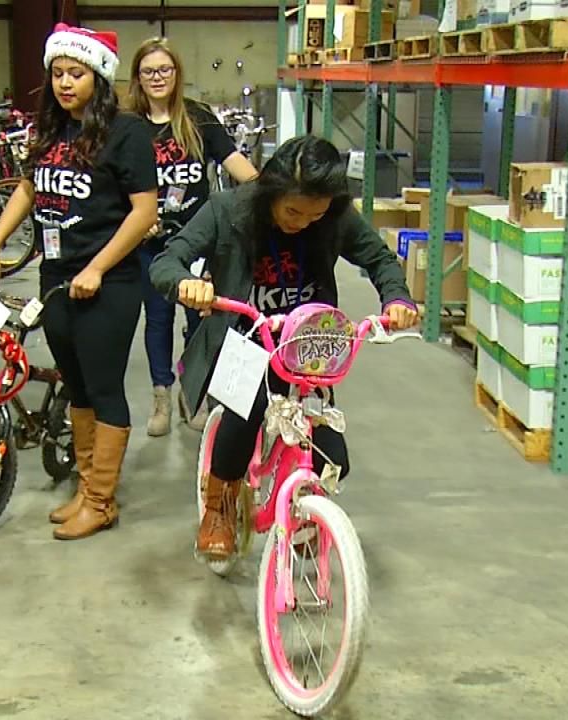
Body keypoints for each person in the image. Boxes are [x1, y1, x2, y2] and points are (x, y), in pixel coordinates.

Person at [149, 135, 419, 561]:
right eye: (293, 211)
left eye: (316, 215)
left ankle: (306, 504)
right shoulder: (227, 210)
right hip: (244, 336)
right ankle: (219, 508)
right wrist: (186, 283)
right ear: (272, 191)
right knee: (246, 413)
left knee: (332, 453)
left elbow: (379, 259)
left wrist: (397, 298)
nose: (303, 223)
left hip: (306, 344)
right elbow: (167, 259)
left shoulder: (335, 217)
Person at [0, 24, 157, 541]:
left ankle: (101, 502)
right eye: (57, 73)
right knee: (75, 385)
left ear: (98, 76)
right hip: (55, 276)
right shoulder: (51, 130)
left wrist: (98, 266)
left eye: (76, 73)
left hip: (109, 283)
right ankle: (85, 487)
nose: (65, 83)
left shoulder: (127, 132)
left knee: (102, 386)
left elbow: (144, 213)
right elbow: (29, 189)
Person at [124, 37, 258, 438]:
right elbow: (115, 181)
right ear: (137, 77)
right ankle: (161, 397)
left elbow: (234, 163)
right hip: (150, 243)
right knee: (158, 320)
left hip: (199, 241)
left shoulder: (198, 118)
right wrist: (136, 220)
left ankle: (191, 392)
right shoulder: (128, 124)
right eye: (148, 71)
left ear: (177, 73)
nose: (157, 77)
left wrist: (267, 192)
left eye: (164, 70)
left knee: (201, 320)